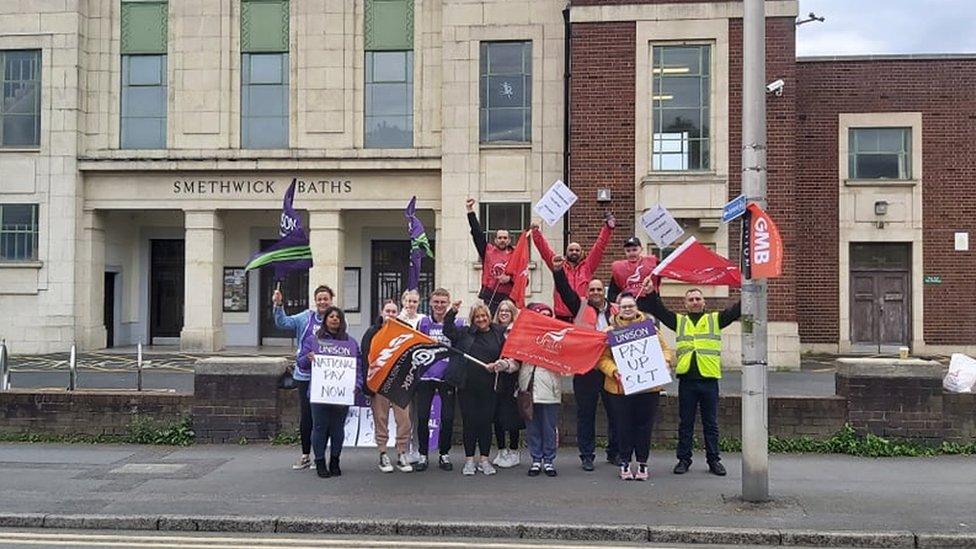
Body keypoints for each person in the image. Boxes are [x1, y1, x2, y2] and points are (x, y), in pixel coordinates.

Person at [639, 281, 741, 476]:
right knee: (685, 423)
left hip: (709, 380)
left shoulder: (715, 319)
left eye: (698, 299)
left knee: (711, 424)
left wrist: (748, 291)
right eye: (691, 299)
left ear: (704, 302)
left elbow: (736, 311)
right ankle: (683, 460)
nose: (695, 302)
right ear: (685, 304)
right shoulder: (680, 321)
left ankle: (714, 460)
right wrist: (651, 293)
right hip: (687, 381)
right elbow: (659, 311)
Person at [550, 256, 620, 471]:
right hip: (586, 369)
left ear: (604, 292)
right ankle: (587, 455)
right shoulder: (578, 306)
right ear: (587, 293)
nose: (596, 293)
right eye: (592, 290)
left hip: (611, 369)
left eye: (599, 290)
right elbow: (563, 290)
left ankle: (614, 453)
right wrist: (558, 271)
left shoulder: (616, 310)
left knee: (615, 412)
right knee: (585, 414)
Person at [596, 293, 673, 481]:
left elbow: (665, 349)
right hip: (620, 388)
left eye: (631, 306)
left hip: (648, 388)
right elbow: (602, 358)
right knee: (623, 427)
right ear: (618, 309)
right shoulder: (610, 331)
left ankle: (642, 463)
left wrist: (664, 362)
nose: (628, 309)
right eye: (624, 307)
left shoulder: (650, 328)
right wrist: (614, 371)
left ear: (636, 307)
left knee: (644, 427)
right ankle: (624, 461)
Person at [442, 299, 508, 476]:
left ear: (488, 316)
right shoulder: (465, 333)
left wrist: (499, 364)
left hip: (490, 387)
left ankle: (484, 460)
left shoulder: (498, 333)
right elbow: (447, 330)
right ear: (473, 319)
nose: (481, 319)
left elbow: (508, 354)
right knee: (469, 423)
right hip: (467, 386)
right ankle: (469, 460)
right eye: (477, 316)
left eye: (484, 315)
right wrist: (452, 312)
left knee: (486, 424)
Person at [273, 284, 335, 471]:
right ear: (315, 300)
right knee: (307, 417)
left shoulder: (335, 318)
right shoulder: (305, 318)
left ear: (331, 300)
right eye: (319, 299)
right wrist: (278, 305)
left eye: (326, 298)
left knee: (324, 418)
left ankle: (320, 456)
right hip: (305, 376)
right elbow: (283, 323)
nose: (323, 302)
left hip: (327, 376)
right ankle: (306, 455)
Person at [296, 306, 360, 478]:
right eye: (331, 316)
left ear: (342, 321)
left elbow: (358, 367)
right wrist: (307, 358)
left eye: (337, 317)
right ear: (325, 320)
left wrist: (358, 385)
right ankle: (319, 461)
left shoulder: (351, 343)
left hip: (341, 393)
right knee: (319, 427)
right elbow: (300, 363)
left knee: (338, 429)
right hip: (319, 393)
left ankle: (334, 460)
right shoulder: (312, 340)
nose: (334, 319)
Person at [360, 300, 413, 474]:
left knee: (404, 419)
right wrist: (368, 386)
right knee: (380, 418)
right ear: (382, 312)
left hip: (399, 382)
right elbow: (365, 358)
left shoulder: (405, 331)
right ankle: (383, 452)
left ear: (398, 314)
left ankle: (401, 452)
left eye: (394, 311)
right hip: (379, 382)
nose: (390, 314)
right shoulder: (371, 332)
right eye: (387, 311)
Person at [531, 214, 615, 321]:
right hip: (562, 317)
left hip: (583, 315)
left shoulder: (588, 266)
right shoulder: (558, 265)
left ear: (581, 253)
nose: (574, 252)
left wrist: (607, 228)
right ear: (566, 253)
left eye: (577, 250)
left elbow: (599, 247)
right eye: (571, 250)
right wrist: (535, 232)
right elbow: (544, 250)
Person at [415, 288, 464, 472]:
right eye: (436, 302)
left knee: (448, 417)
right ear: (431, 302)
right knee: (422, 417)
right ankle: (423, 454)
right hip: (426, 376)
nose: (439, 305)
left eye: (443, 302)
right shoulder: (423, 322)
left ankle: (444, 454)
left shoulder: (457, 323)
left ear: (448, 303)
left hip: (447, 376)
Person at [519, 302, 563, 477]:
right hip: (528, 388)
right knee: (532, 427)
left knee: (548, 427)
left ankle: (549, 460)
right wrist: (505, 365)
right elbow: (515, 360)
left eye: (548, 315)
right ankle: (536, 459)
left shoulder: (559, 338)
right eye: (541, 314)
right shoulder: (524, 338)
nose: (546, 318)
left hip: (550, 390)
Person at [490, 300, 523, 469]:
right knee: (497, 417)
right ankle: (501, 449)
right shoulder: (492, 331)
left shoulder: (516, 332)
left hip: (512, 379)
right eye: (501, 310)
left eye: (507, 311)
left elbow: (518, 357)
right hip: (495, 379)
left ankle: (514, 450)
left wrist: (506, 365)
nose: (503, 313)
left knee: (512, 417)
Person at [466, 198, 514, 313]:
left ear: (509, 240)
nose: (502, 240)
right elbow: (477, 234)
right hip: (490, 296)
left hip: (509, 297)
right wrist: (470, 211)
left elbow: (524, 279)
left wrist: (510, 279)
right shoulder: (487, 251)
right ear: (495, 240)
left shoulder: (516, 255)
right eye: (500, 238)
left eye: (505, 238)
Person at [396, 289, 427, 464]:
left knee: (417, 413)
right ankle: (403, 449)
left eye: (414, 302)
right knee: (404, 414)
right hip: (401, 372)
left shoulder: (423, 320)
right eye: (408, 301)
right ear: (403, 302)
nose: (411, 305)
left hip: (419, 371)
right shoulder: (396, 320)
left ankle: (415, 448)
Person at [608, 237, 659, 303]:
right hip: (629, 304)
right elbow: (612, 294)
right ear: (624, 251)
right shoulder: (619, 268)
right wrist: (617, 299)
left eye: (634, 250)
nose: (631, 253)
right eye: (628, 251)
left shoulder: (651, 263)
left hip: (649, 302)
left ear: (641, 249)